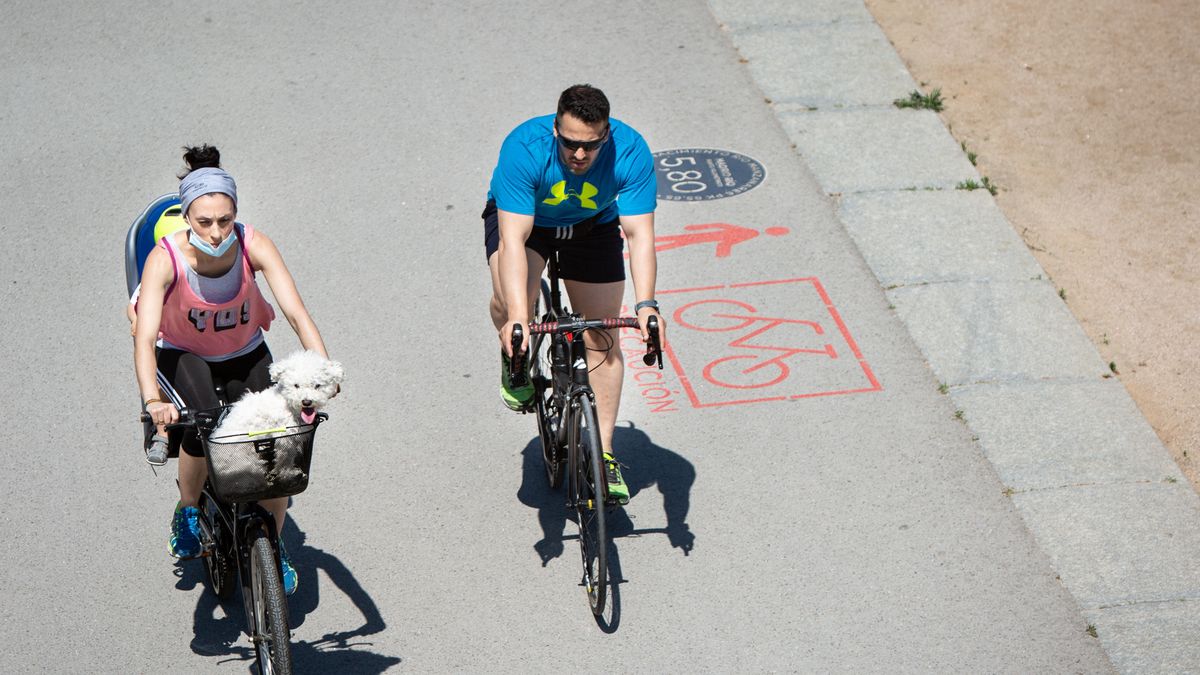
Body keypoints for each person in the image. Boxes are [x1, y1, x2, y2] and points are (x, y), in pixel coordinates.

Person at [134, 145, 334, 594]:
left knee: (280, 438)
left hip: (244, 352)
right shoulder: (165, 259)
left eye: (225, 220)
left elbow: (298, 314)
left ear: (235, 214)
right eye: (204, 222)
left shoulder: (254, 244)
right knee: (203, 422)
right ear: (187, 216)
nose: (216, 230)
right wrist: (154, 401)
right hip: (185, 356)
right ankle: (188, 511)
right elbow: (146, 339)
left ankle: (273, 544)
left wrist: (322, 376)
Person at [484, 84, 663, 504]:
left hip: (592, 226)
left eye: (590, 146)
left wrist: (648, 305)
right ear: (555, 130)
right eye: (569, 144)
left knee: (603, 337)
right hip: (529, 225)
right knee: (513, 303)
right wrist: (516, 315)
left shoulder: (631, 150)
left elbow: (640, 236)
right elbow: (513, 240)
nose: (579, 155)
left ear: (606, 136)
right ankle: (515, 355)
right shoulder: (524, 149)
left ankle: (602, 455)